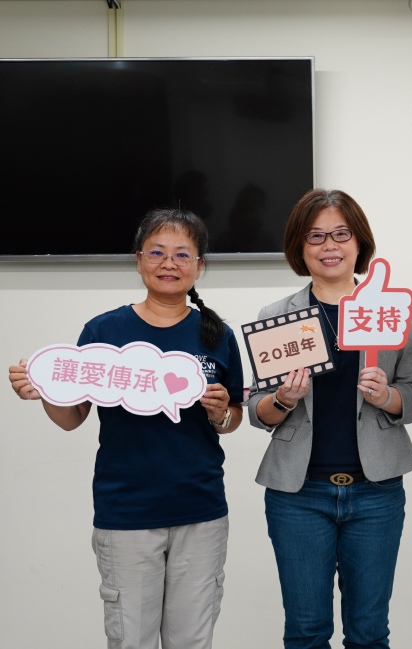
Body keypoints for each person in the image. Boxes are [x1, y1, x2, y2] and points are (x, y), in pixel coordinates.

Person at [8, 208, 243, 649]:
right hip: (127, 512)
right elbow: (72, 417)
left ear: (199, 266)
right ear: (138, 261)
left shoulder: (218, 335)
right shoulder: (103, 330)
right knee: (130, 639)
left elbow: (233, 419)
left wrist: (218, 414)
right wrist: (43, 391)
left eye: (181, 255)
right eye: (156, 252)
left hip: (202, 508)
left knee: (193, 640)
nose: (168, 264)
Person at [245, 189, 412, 649]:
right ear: (299, 247)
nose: (330, 245)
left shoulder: (391, 315)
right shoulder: (278, 318)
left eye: (341, 234)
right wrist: (284, 399)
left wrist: (388, 396)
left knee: (369, 632)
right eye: (316, 236)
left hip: (376, 492)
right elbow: (256, 408)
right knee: (306, 632)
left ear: (359, 242)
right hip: (298, 494)